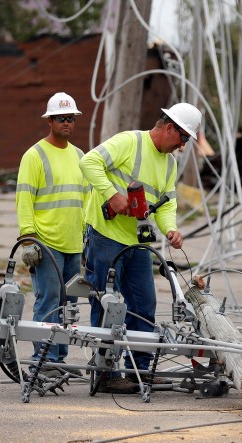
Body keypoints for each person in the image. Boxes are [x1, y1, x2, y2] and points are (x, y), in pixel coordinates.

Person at [79, 102, 201, 394]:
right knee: (106, 302)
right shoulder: (129, 142)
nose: (183, 145)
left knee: (144, 304)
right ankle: (105, 372)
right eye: (183, 138)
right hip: (106, 236)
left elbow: (166, 202)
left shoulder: (169, 163)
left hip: (138, 241)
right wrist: (111, 195)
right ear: (169, 128)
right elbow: (89, 162)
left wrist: (170, 228)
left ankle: (140, 370)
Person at [15, 92, 88, 377]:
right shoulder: (34, 155)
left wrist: (86, 236)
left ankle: (60, 361)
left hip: (73, 243)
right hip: (46, 242)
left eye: (71, 118)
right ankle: (43, 361)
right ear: (50, 121)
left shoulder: (80, 156)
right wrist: (28, 237)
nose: (68, 123)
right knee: (48, 301)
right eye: (62, 118)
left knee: (68, 305)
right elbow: (24, 198)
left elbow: (86, 199)